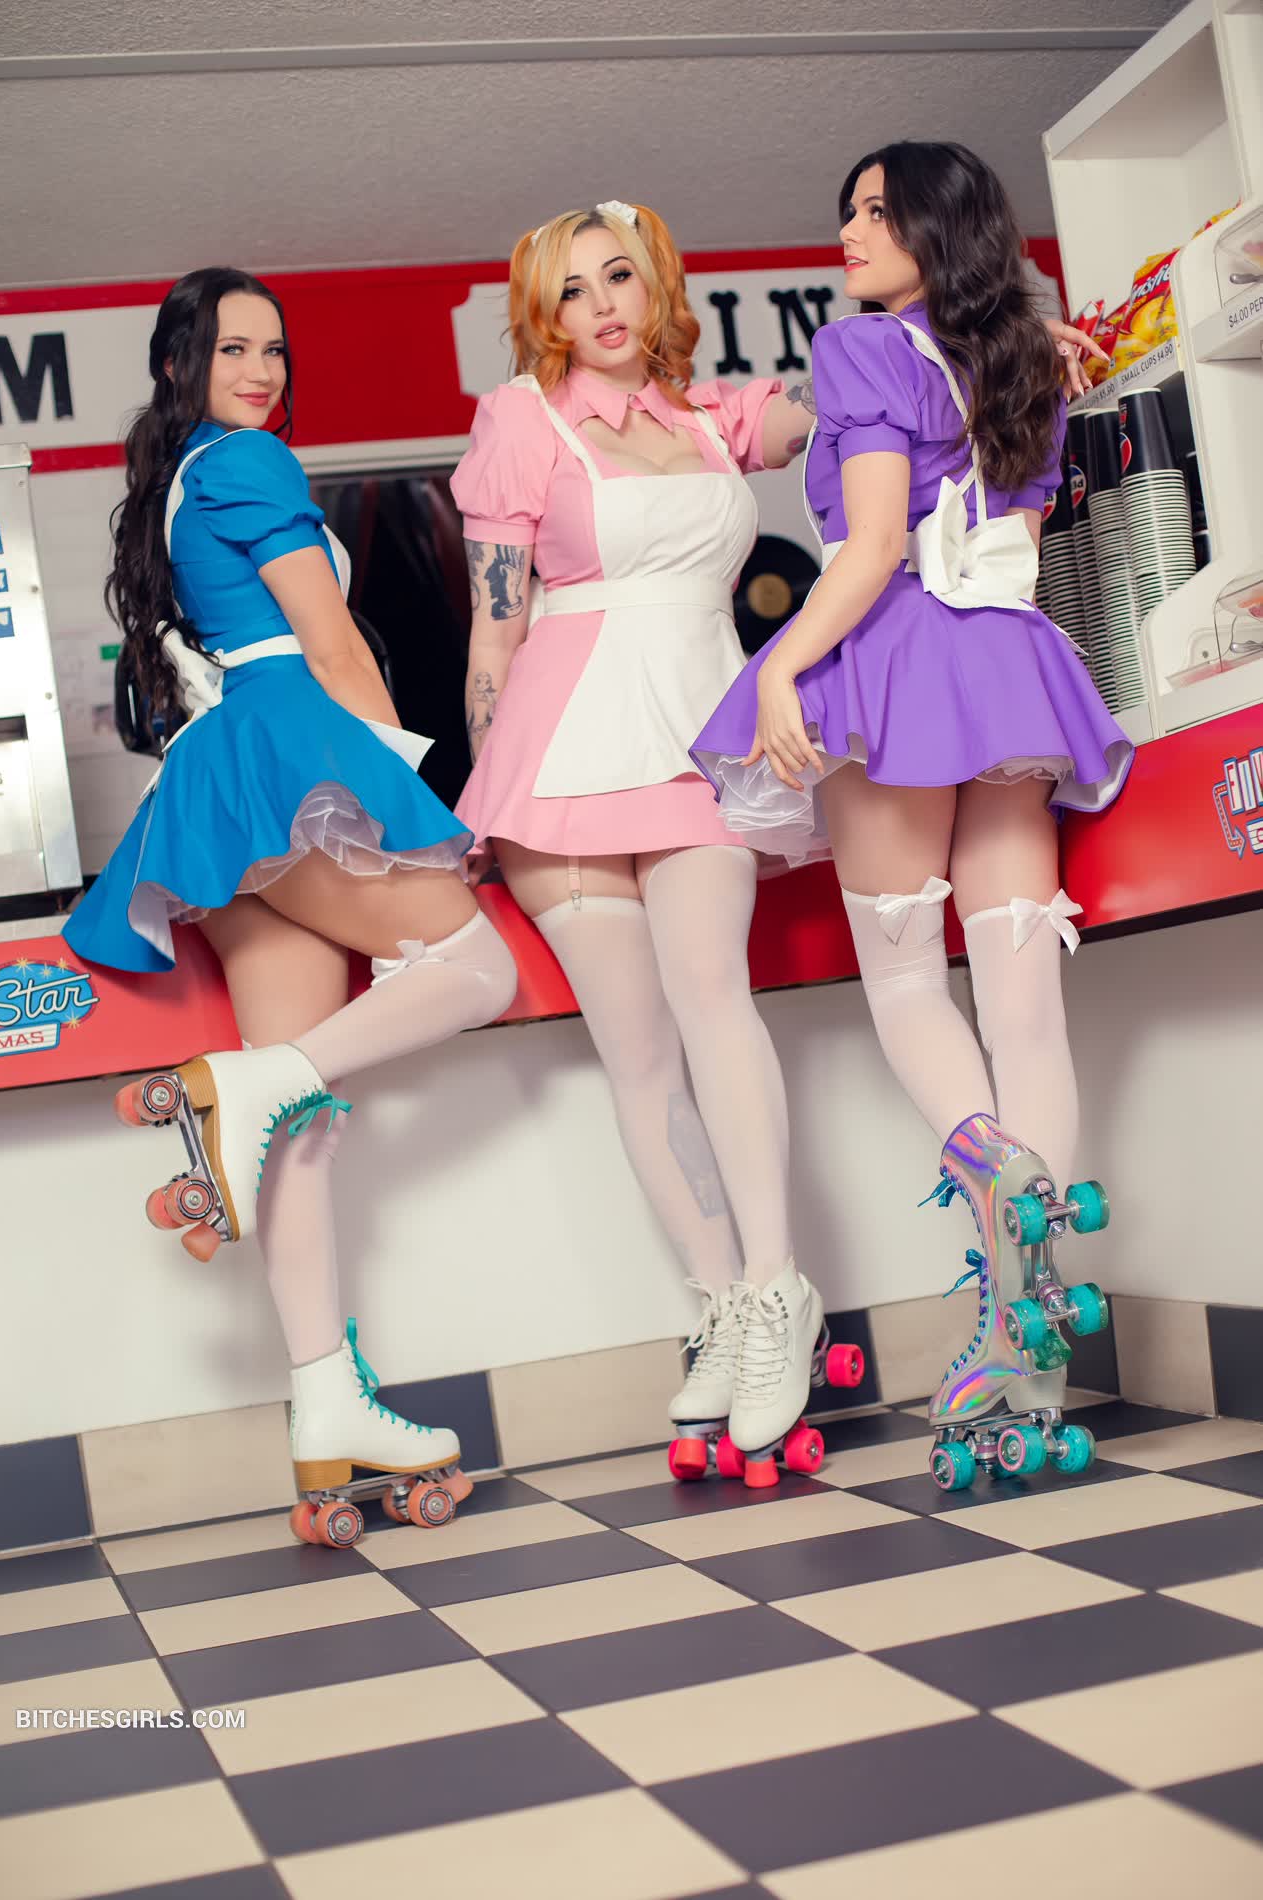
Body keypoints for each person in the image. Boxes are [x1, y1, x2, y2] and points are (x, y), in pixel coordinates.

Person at [691, 144, 1130, 1488]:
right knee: (1024, 1007)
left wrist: (780, 666)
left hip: (894, 659)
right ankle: (1020, 1335)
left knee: (901, 982)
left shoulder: (863, 349)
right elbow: (1016, 534)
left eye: (877, 211)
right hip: (1011, 665)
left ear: (939, 229)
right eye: (845, 210)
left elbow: (874, 544)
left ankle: (989, 1170)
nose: (847, 230)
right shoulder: (1030, 361)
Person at [64, 267, 518, 1539]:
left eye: (273, 350)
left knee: (301, 1124)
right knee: (477, 968)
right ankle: (245, 1090)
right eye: (233, 349)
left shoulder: (177, 484)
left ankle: (327, 1407)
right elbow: (331, 643)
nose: (261, 371)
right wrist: (417, 798)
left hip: (223, 782)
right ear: (180, 365)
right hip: (287, 749)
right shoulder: (250, 464)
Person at [452, 200, 850, 1481]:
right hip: (558, 754)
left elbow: (849, 403)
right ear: (546, 316)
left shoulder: (717, 418)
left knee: (711, 998)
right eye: (571, 292)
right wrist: (486, 775)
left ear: (657, 285)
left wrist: (969, 341)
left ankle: (778, 1289)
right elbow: (495, 629)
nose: (601, 307)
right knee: (635, 1056)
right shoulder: (523, 420)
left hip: (698, 739)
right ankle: (722, 1302)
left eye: (618, 276)